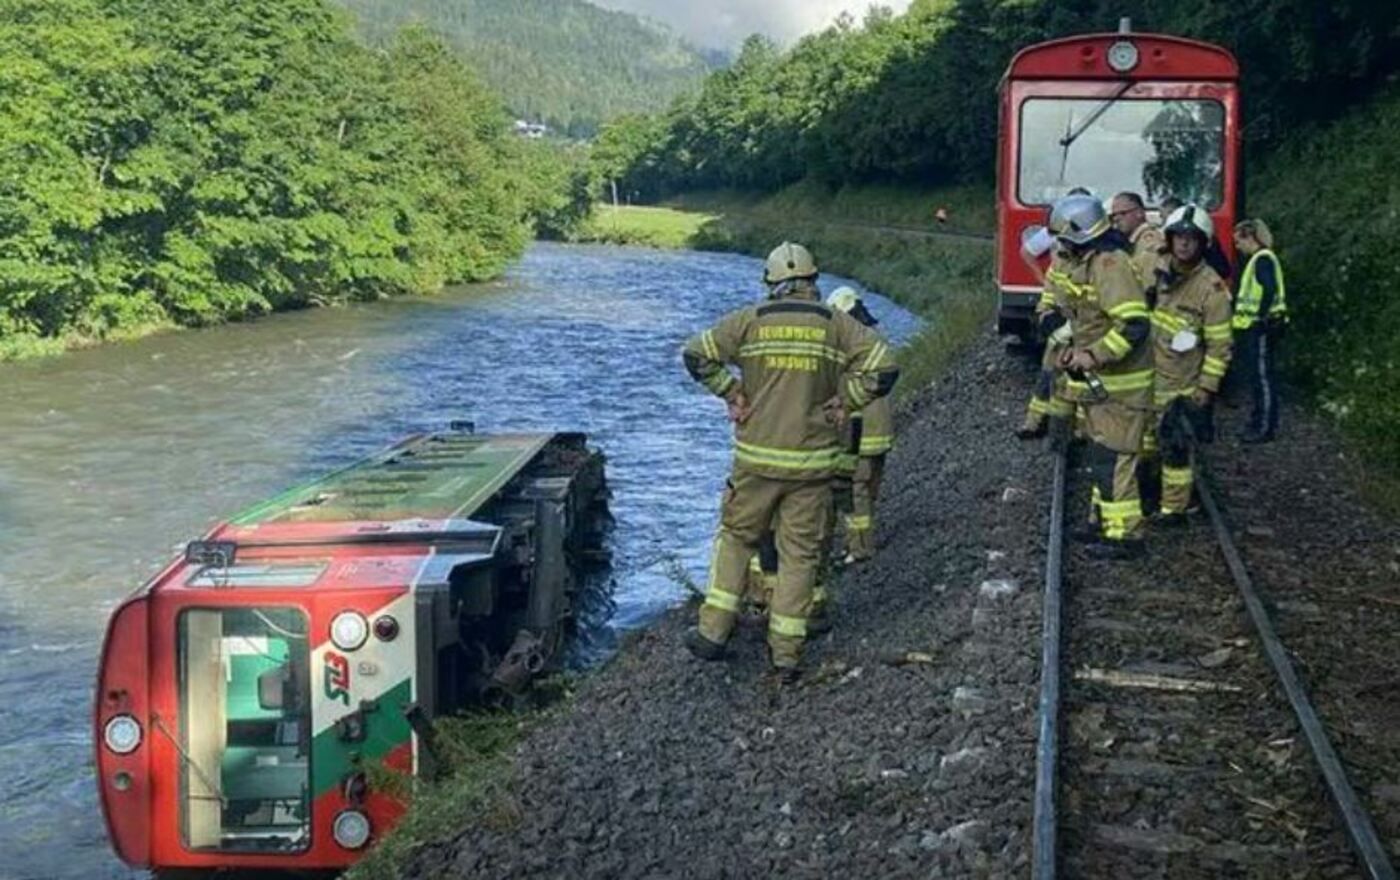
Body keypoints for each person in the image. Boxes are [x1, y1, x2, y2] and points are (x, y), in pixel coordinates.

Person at [681, 242, 899, 681]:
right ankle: (785, 656)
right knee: (799, 556)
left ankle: (713, 631)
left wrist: (732, 392)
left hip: (755, 461)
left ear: (771, 284)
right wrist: (848, 400)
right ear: (813, 282)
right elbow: (886, 365)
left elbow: (695, 354)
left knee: (737, 539)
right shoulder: (837, 325)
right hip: (813, 464)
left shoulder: (749, 320)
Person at [1044, 194, 1154, 559]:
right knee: (1102, 453)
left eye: (1063, 236)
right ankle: (1102, 521)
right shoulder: (1087, 261)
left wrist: (1093, 354)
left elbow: (1134, 324)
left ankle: (1125, 535)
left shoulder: (1110, 264)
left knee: (1117, 457)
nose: (1060, 244)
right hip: (1102, 385)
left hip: (1121, 384)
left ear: (1079, 233)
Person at [1146, 205, 1234, 523]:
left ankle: (1174, 509)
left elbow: (1220, 346)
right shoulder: (1154, 269)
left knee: (1175, 448)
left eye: (1192, 239)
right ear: (1169, 240)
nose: (1184, 244)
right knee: (1143, 444)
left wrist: (1206, 388)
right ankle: (1148, 495)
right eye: (1179, 237)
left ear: (1203, 244)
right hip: (1145, 376)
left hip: (1180, 386)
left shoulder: (1211, 291)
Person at [826, 287, 893, 564]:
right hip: (879, 429)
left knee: (856, 490)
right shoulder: (874, 339)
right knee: (867, 488)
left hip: (860, 429)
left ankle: (860, 549)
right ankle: (860, 544)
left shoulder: (852, 345)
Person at [1232, 219, 1287, 443]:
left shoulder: (1262, 259)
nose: (1237, 247)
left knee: (1263, 378)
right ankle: (1257, 422)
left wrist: (1260, 317)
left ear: (1249, 237)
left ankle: (1265, 428)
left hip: (1263, 327)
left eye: (1238, 241)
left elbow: (1269, 289)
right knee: (1257, 377)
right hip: (1257, 327)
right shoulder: (1260, 259)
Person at [1109, 192, 1165, 288]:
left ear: (1139, 213)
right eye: (1114, 215)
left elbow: (1148, 285)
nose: (1117, 219)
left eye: (1123, 213)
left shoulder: (1149, 243)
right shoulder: (1130, 242)